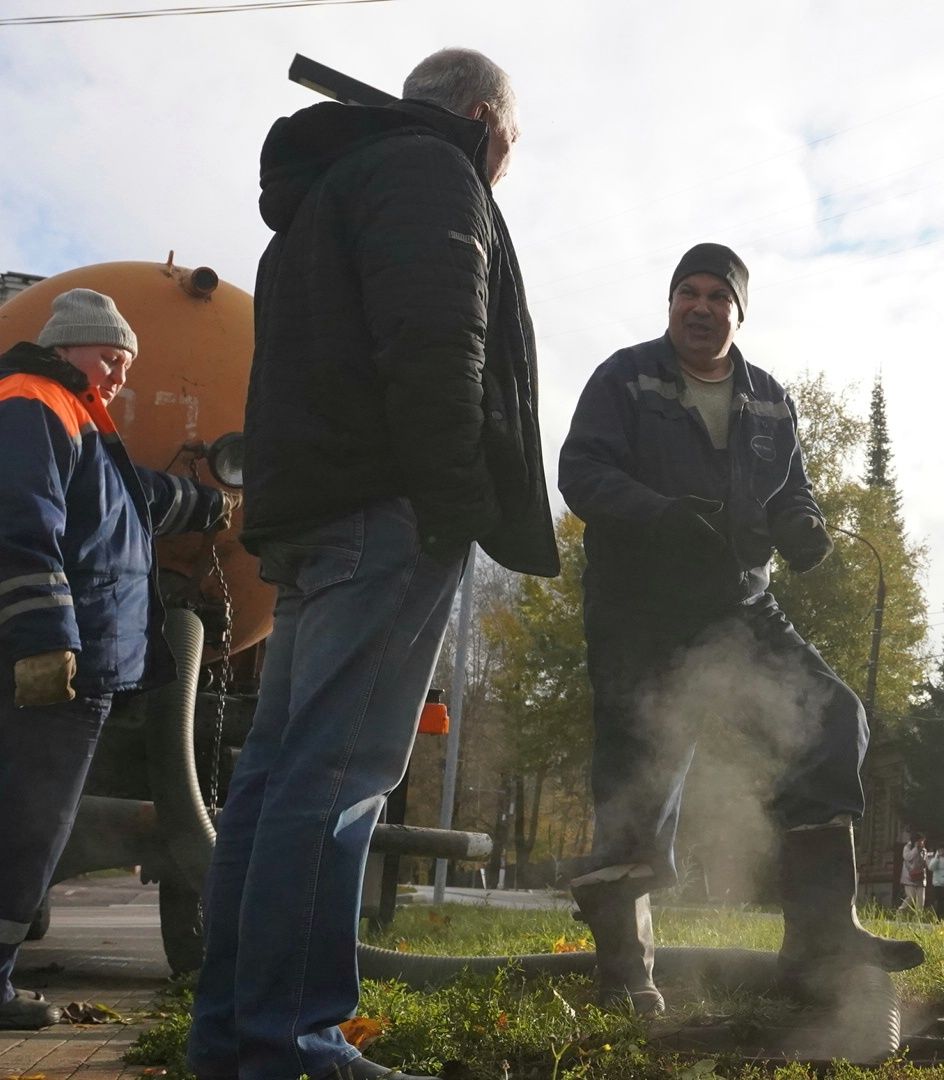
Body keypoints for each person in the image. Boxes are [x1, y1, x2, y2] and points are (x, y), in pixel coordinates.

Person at [187, 48, 557, 1080]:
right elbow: (440, 350)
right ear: (486, 119)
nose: (505, 161)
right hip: (381, 514)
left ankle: (233, 1035)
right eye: (512, 143)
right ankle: (291, 1043)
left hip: (310, 513)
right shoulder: (429, 174)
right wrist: (450, 510)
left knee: (274, 779)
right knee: (336, 777)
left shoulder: (331, 188)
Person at [557, 243, 923, 1016]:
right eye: (687, 292)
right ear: (670, 305)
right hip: (639, 609)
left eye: (718, 296)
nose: (701, 307)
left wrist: (805, 527)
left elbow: (793, 489)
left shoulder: (768, 400)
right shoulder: (626, 378)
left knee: (833, 717)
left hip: (740, 605)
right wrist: (658, 515)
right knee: (640, 779)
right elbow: (581, 471)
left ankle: (822, 941)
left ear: (738, 311)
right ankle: (627, 973)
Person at [0, 289, 232, 1030]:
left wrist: (208, 505)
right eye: (111, 358)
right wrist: (44, 640)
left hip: (82, 667)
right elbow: (20, 521)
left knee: (32, 826)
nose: (121, 377)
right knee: (25, 825)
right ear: (67, 345)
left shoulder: (75, 417)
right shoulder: (33, 401)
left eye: (128, 365)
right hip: (50, 667)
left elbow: (125, 504)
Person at [901, 833, 928, 911]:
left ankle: (919, 916)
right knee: (910, 897)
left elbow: (924, 863)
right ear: (916, 841)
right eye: (921, 841)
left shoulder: (923, 850)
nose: (922, 843)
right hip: (909, 877)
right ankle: (900, 912)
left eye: (923, 841)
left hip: (920, 877)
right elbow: (908, 857)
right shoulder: (907, 847)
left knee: (921, 899)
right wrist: (916, 848)